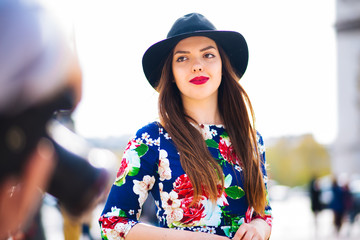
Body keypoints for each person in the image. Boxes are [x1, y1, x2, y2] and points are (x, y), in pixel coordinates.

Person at [99, 13, 272, 240]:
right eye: (183, 58)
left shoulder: (251, 139)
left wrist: (258, 228)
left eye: (208, 55)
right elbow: (112, 225)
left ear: (222, 65)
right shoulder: (152, 139)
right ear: (170, 74)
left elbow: (264, 213)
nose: (197, 66)